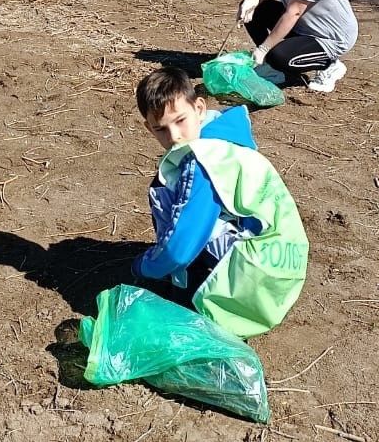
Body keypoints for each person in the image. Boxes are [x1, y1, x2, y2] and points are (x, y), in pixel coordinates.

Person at [132, 66, 308, 339]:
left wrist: (144, 266)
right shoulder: (225, 136)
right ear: (148, 128)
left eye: (180, 121)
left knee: (178, 218)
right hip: (282, 265)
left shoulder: (203, 159)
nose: (174, 136)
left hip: (253, 282)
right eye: (161, 129)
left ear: (199, 108)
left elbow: (181, 248)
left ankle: (211, 306)